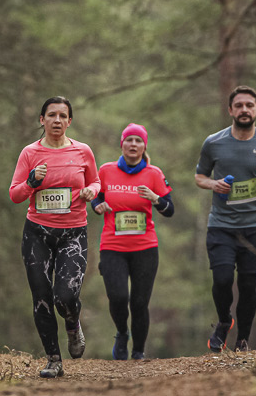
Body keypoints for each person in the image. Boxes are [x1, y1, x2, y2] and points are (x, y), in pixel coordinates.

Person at [9, 97, 100, 378]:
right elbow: (15, 194)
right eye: (51, 115)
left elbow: (96, 181)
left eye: (63, 115)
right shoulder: (30, 153)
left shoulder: (83, 151)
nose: (57, 120)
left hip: (73, 233)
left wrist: (91, 191)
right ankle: (53, 360)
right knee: (41, 298)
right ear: (42, 120)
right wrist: (32, 182)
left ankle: (72, 323)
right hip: (37, 233)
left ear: (69, 121)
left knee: (65, 296)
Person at [193, 86, 256, 352]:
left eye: (249, 105)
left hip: (255, 224)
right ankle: (224, 321)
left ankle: (243, 339)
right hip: (221, 224)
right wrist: (214, 184)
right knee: (221, 279)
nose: (244, 110)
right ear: (230, 110)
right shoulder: (214, 142)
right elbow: (199, 177)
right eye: (239, 105)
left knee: (247, 283)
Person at [91, 123, 174, 361]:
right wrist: (97, 206)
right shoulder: (106, 171)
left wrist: (157, 199)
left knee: (139, 302)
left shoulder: (154, 174)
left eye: (138, 141)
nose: (133, 145)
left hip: (145, 248)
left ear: (144, 146)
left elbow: (169, 210)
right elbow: (95, 197)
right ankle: (121, 332)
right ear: (122, 144)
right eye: (129, 140)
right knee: (118, 297)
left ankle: (138, 351)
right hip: (112, 247)